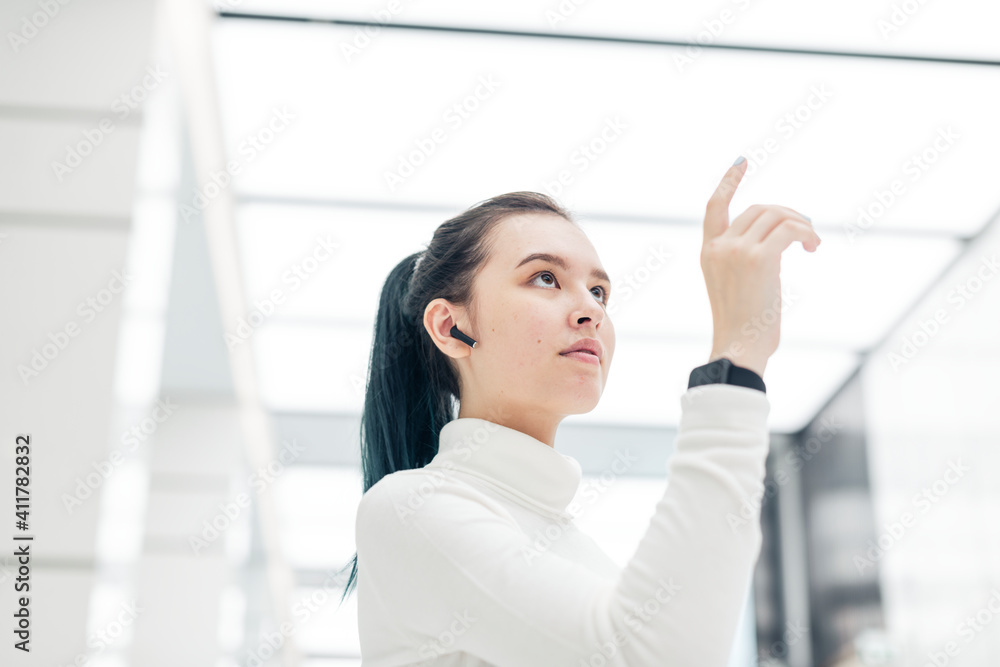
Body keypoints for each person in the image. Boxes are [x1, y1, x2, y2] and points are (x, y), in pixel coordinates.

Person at [339, 156, 821, 666]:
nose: (591, 310)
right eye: (544, 278)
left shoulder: (574, 549)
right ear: (450, 327)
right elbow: (650, 656)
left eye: (599, 291)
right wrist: (737, 358)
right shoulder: (410, 509)